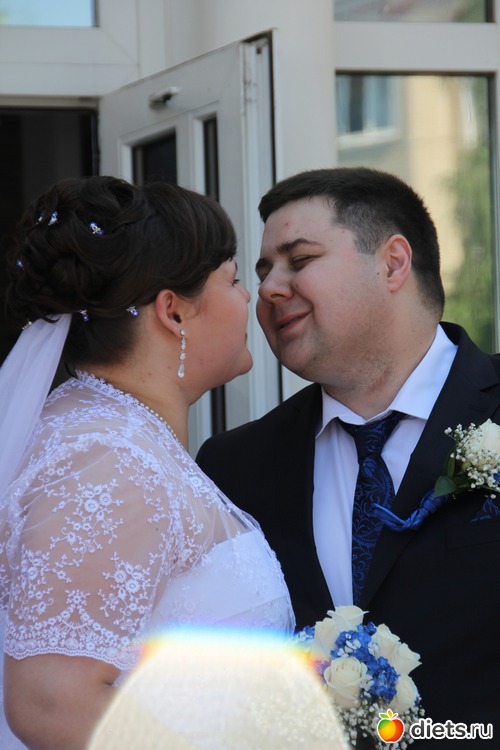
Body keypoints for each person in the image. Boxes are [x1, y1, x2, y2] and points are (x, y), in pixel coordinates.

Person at [197, 167, 500, 746]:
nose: (269, 289)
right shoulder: (234, 466)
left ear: (393, 263)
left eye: (299, 260)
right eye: (262, 273)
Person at [0, 176, 296, 750]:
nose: (251, 299)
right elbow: (50, 703)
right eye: (234, 279)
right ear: (173, 312)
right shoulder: (107, 460)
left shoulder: (116, 436)